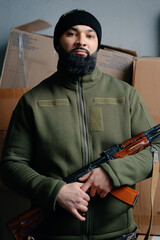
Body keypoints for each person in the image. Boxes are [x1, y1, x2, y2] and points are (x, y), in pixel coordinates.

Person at [0, 9, 159, 240]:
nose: (81, 41)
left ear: (97, 45)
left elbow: (158, 149)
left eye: (90, 35)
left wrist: (111, 173)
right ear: (57, 43)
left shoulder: (126, 95)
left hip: (119, 234)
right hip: (53, 234)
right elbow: (11, 166)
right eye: (71, 33)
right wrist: (56, 192)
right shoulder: (32, 101)